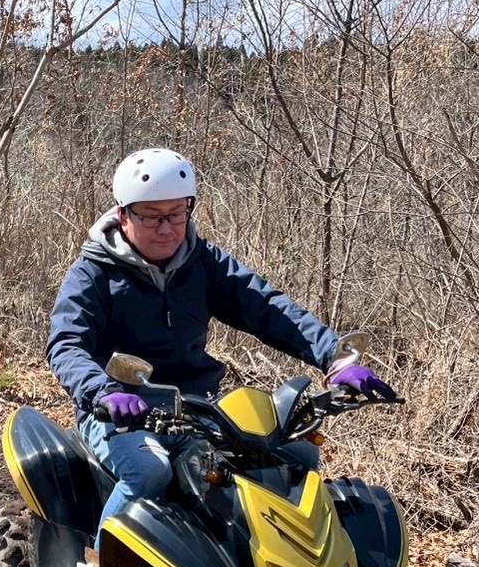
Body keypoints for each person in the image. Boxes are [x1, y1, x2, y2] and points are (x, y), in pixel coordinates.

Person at [47, 148, 395, 546]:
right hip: (121, 412)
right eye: (151, 216)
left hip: (199, 407)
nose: (166, 228)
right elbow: (66, 344)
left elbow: (268, 308)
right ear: (123, 214)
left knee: (289, 460)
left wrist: (334, 355)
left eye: (177, 213)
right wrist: (103, 390)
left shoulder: (204, 262)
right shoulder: (94, 272)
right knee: (148, 474)